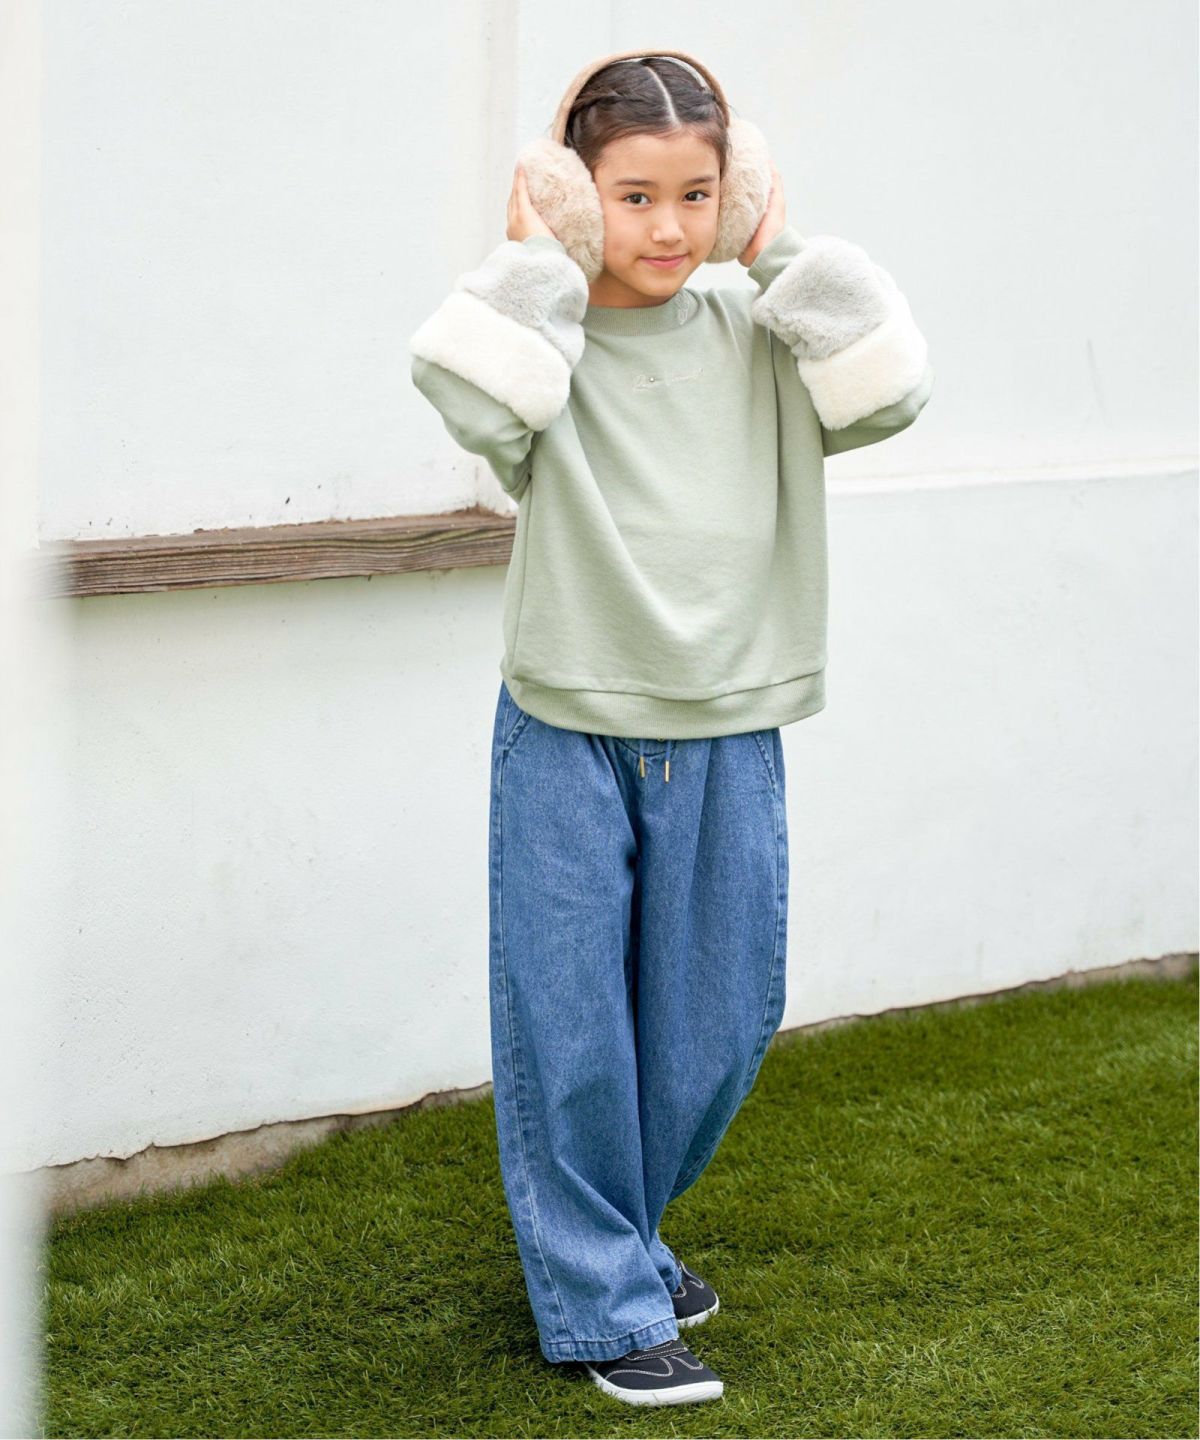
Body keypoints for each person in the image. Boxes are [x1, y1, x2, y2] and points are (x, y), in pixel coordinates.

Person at [410, 50, 933, 1407]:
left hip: (727, 726)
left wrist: (776, 253)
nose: (666, 227)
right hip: (567, 722)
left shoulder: (763, 337)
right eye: (631, 196)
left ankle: (623, 1239)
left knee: (716, 1020)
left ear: (736, 189)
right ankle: (606, 1306)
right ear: (570, 193)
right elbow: (465, 396)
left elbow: (889, 391)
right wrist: (537, 263)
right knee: (572, 1027)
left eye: (697, 194)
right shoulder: (544, 353)